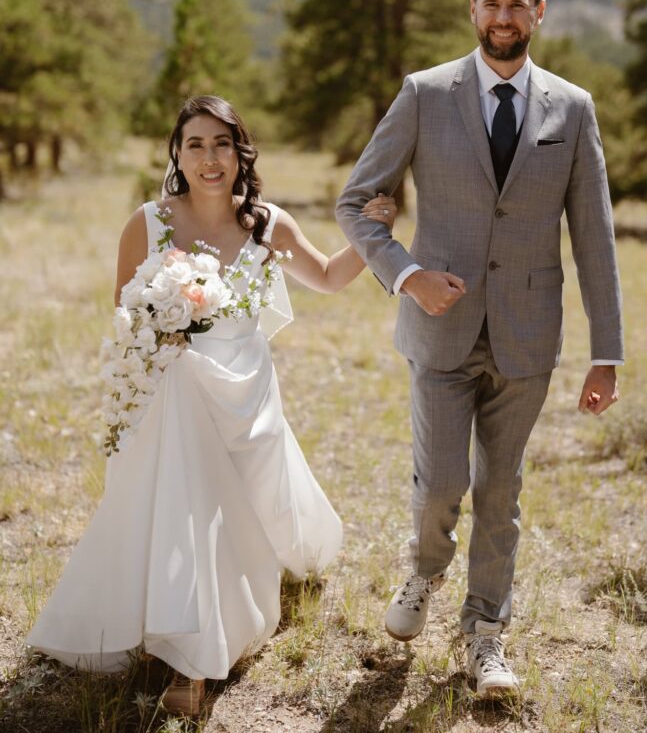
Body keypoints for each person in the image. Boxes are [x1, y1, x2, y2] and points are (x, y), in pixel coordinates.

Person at [27, 95, 396, 717]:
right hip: (173, 392)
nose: (209, 158)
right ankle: (191, 662)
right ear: (177, 153)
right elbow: (124, 315)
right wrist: (165, 326)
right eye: (195, 144)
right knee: (184, 450)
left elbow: (330, 277)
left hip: (247, 391)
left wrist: (373, 230)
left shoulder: (268, 224)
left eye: (221, 144)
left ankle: (220, 612)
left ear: (240, 153)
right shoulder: (147, 222)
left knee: (249, 512)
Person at [335, 0, 624, 696]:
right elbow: (355, 199)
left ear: (539, 10)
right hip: (440, 328)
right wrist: (407, 273)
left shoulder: (574, 107)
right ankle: (426, 571)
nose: (503, 18)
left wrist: (607, 353)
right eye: (490, 4)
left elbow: (593, 236)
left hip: (529, 334)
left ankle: (485, 632)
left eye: (516, 5)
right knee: (441, 486)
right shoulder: (426, 94)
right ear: (472, 10)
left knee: (502, 491)